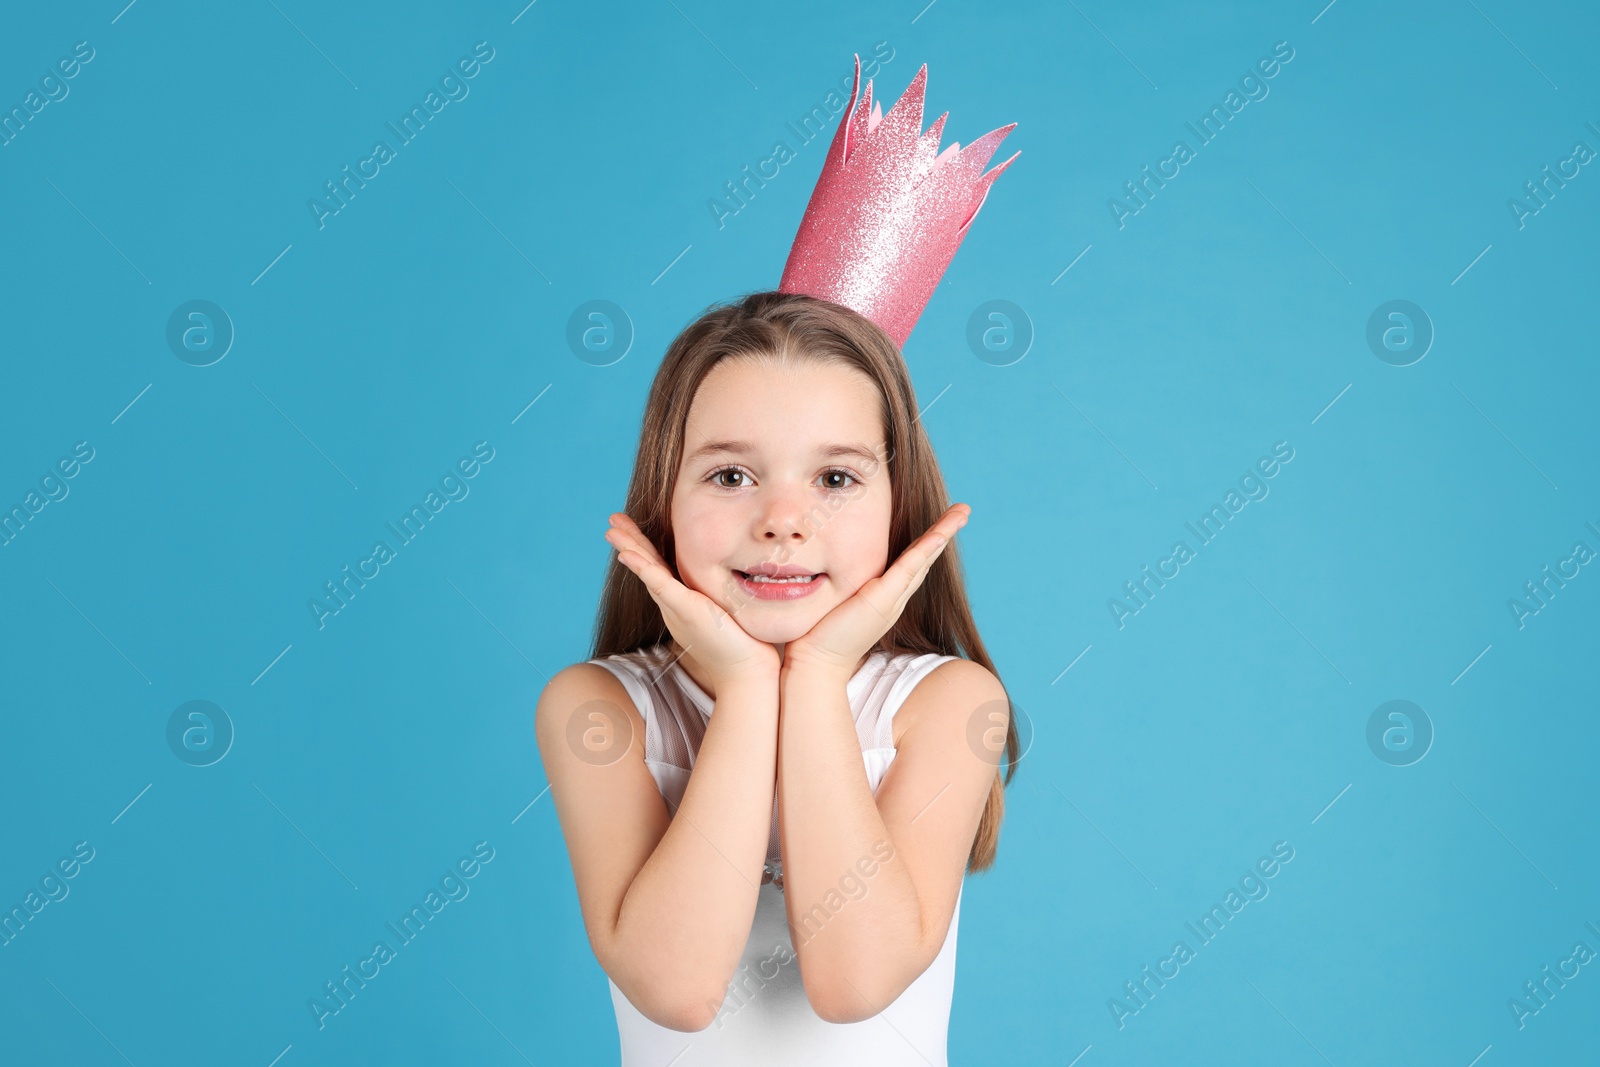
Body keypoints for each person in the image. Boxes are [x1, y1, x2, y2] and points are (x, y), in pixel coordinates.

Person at [534, 56, 1021, 1065]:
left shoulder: (947, 703)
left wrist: (820, 677)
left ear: (901, 506)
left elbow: (852, 980)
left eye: (835, 479)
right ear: (662, 499)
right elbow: (675, 987)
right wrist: (749, 688)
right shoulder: (597, 708)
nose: (782, 522)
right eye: (729, 476)